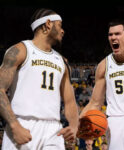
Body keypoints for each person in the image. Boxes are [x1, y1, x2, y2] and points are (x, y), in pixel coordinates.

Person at [0, 8, 79, 150]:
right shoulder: (20, 50)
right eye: (60, 26)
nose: (62, 31)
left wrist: (73, 126)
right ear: (48, 24)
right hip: (22, 123)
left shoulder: (62, 61)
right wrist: (14, 125)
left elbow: (70, 101)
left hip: (53, 130)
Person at [80, 19, 124, 150]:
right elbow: (95, 103)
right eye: (110, 35)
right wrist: (79, 124)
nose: (113, 38)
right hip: (114, 124)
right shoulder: (103, 66)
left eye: (117, 34)